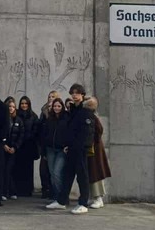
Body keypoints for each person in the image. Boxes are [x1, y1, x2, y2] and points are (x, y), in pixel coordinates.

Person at [57, 84, 93, 215]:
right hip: (71, 148)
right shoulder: (73, 109)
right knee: (67, 175)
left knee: (82, 176)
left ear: (82, 94)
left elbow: (88, 132)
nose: (74, 95)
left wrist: (82, 146)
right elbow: (70, 130)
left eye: (77, 93)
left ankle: (83, 203)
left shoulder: (86, 110)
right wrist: (67, 144)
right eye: (72, 93)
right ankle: (61, 201)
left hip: (80, 149)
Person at [41, 98, 70, 209]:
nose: (56, 108)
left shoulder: (66, 118)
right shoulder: (50, 119)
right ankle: (57, 197)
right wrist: (43, 151)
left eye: (58, 106)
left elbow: (69, 133)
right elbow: (45, 135)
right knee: (52, 174)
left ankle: (62, 199)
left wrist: (67, 145)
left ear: (62, 107)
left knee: (57, 173)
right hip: (50, 149)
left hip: (61, 150)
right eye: (54, 106)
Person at [84, 96, 112, 209]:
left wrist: (92, 141)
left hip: (94, 149)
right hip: (92, 148)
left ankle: (98, 198)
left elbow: (99, 130)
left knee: (95, 173)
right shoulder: (92, 116)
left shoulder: (92, 117)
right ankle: (94, 197)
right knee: (92, 173)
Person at [13, 96, 39, 197]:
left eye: (26, 104)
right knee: (17, 168)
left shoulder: (33, 116)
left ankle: (27, 190)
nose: (24, 105)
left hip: (28, 145)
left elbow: (35, 131)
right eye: (22, 103)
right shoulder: (16, 115)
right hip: (18, 145)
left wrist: (27, 137)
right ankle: (17, 189)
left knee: (28, 169)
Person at [38, 90, 59, 198]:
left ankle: (54, 191)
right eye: (49, 97)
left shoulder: (58, 112)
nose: (51, 98)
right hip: (45, 144)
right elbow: (40, 128)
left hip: (55, 144)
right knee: (44, 169)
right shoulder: (44, 111)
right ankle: (45, 189)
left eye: (53, 97)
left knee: (54, 170)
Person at [2, 99, 24, 200]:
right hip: (3, 148)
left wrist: (15, 147)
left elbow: (21, 135)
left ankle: (11, 191)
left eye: (13, 107)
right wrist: (4, 145)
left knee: (9, 170)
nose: (11, 108)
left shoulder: (18, 120)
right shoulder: (3, 118)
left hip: (13, 150)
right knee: (3, 170)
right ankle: (4, 192)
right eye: (9, 106)